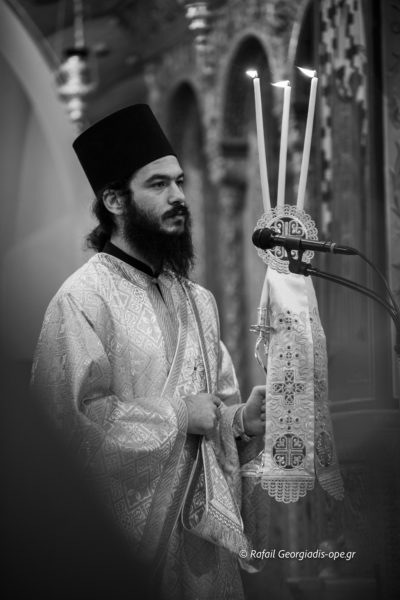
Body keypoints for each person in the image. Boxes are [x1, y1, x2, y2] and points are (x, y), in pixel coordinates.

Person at [31, 104, 267, 600]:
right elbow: (65, 429)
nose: (179, 196)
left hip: (202, 555)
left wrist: (241, 420)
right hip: (125, 559)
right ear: (115, 200)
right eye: (158, 185)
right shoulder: (82, 300)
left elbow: (213, 411)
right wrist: (178, 416)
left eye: (179, 182)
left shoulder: (197, 300)